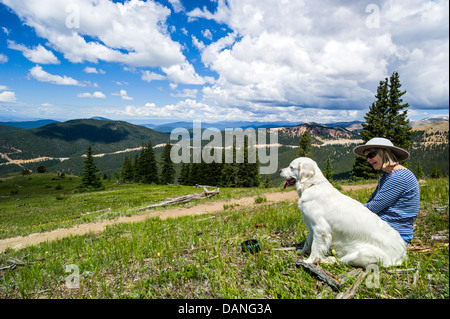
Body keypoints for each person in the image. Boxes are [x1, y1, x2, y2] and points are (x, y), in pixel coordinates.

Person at [353, 137, 420, 244]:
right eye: (367, 157)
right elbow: (372, 202)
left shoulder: (398, 177)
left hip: (394, 235)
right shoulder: (388, 175)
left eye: (371, 155)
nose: (368, 160)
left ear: (385, 153)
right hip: (387, 230)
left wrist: (348, 210)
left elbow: (372, 208)